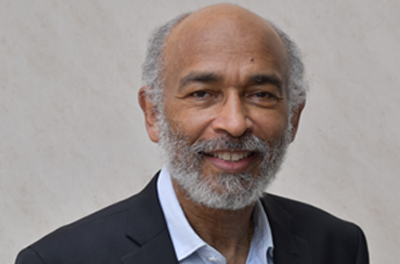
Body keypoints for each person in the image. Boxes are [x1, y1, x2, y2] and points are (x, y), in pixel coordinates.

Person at [15, 3, 368, 264]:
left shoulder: (337, 246)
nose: (234, 123)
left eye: (260, 94)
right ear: (153, 114)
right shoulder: (60, 260)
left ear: (293, 117)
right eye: (203, 94)